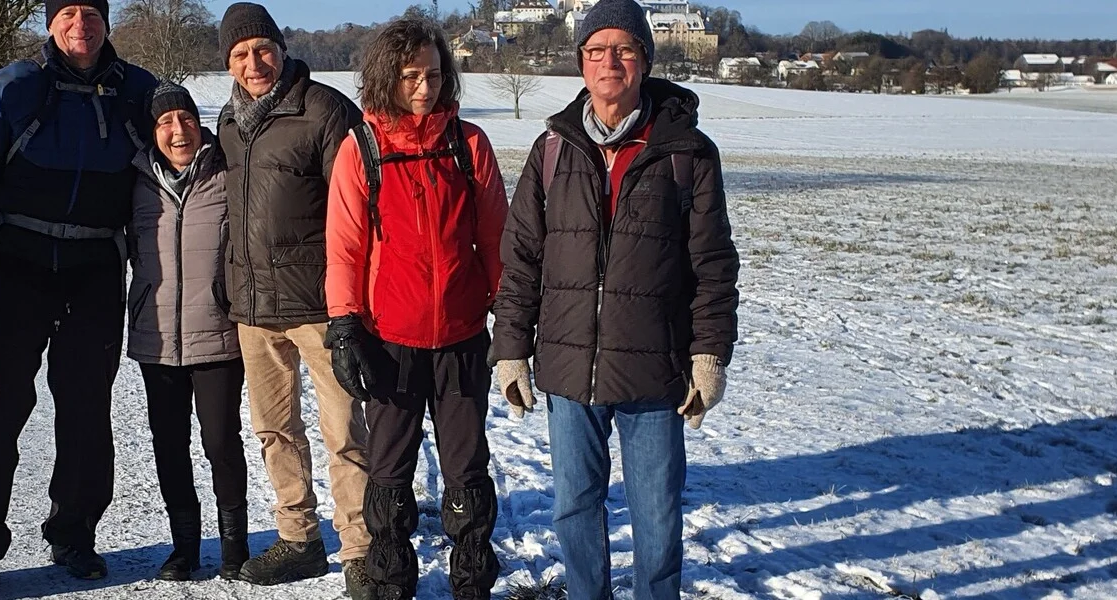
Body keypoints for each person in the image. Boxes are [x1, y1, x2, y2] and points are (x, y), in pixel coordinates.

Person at [489, 0, 741, 598]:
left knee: (657, 514)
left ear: (645, 61)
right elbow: (520, 260)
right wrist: (510, 351)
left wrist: (710, 357)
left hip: (655, 369)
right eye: (597, 50)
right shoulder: (551, 149)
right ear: (581, 63)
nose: (610, 62)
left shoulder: (687, 153)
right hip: (569, 368)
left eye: (625, 50)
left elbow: (711, 266)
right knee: (575, 508)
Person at [0, 0, 157, 595]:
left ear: (106, 23)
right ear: (49, 24)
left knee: (87, 410)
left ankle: (74, 533)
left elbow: (170, 171)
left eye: (91, 13)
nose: (80, 25)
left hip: (94, 267)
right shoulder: (16, 86)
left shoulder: (138, 90)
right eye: (66, 14)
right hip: (18, 263)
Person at [323, 19, 508, 600]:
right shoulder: (363, 149)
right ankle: (391, 578)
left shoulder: (468, 143)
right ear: (388, 78)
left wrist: (512, 317)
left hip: (461, 336)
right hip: (390, 339)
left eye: (432, 75)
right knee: (389, 469)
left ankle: (473, 579)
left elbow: (497, 236)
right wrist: (344, 323)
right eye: (410, 77)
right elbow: (345, 245)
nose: (423, 88)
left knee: (466, 467)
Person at [213, 1, 374, 591]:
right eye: (240, 54)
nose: (254, 63)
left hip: (318, 307)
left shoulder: (325, 111)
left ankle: (359, 547)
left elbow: (359, 210)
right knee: (274, 430)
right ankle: (297, 538)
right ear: (228, 63)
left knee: (344, 431)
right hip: (254, 310)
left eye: (262, 49)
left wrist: (351, 304)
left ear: (281, 50)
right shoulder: (230, 125)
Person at [126, 81, 250, 582]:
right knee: (169, 444)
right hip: (157, 336)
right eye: (165, 123)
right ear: (152, 132)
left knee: (221, 441)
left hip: (217, 331)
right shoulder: (134, 182)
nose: (178, 132)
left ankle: (234, 546)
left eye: (186, 120)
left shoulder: (226, 175)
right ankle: (184, 547)